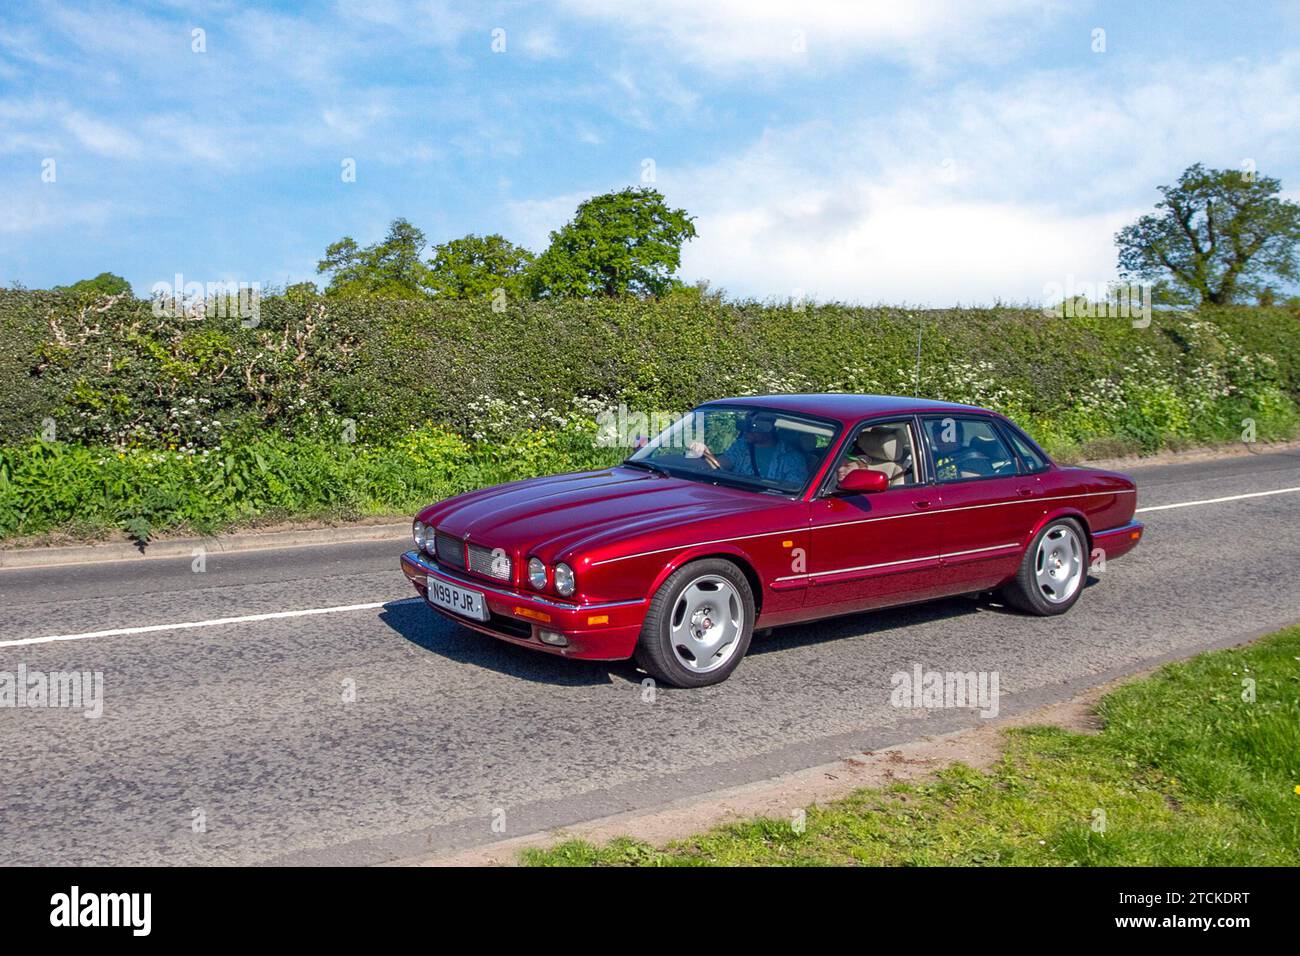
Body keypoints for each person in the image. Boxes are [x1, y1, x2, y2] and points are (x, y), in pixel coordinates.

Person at [688, 413, 809, 485]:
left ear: (769, 429)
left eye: (754, 426)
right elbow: (720, 466)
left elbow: (792, 492)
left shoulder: (792, 458)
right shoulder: (741, 447)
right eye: (747, 424)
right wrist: (705, 452)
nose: (747, 430)